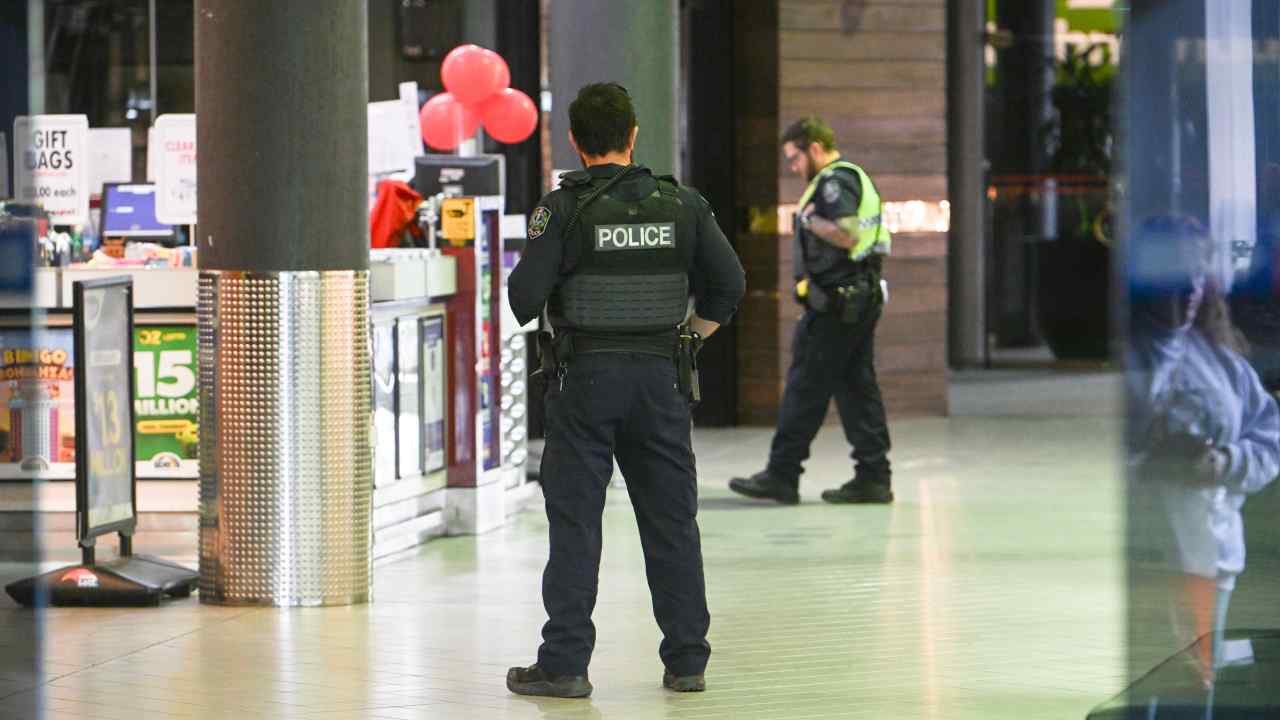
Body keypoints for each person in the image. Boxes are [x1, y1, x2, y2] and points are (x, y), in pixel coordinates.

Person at [505, 82, 745, 698]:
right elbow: (729, 286)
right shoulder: (683, 204)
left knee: (576, 521)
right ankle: (687, 659)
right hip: (661, 379)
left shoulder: (563, 209)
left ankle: (565, 664)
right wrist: (688, 339)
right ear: (634, 135)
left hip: (584, 382)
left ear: (574, 142)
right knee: (671, 520)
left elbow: (522, 301)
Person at [1127, 215, 1280, 688]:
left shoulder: (1221, 359)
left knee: (1201, 680)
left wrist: (1225, 463)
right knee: (1163, 680)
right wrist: (1156, 465)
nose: (1189, 286)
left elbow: (1269, 434)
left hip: (1216, 556)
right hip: (1152, 560)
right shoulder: (1127, 358)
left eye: (1198, 272)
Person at [729, 116, 893, 506]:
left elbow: (848, 232)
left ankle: (782, 474)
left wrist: (808, 220)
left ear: (814, 148)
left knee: (805, 388)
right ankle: (873, 476)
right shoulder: (844, 177)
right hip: (855, 300)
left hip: (837, 304)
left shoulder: (835, 181)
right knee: (857, 388)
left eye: (795, 158)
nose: (793, 167)